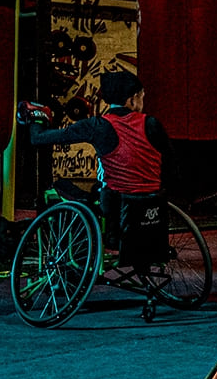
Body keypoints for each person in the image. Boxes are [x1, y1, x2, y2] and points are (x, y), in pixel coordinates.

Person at [21, 70, 176, 259]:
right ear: (133, 99)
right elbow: (170, 165)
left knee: (59, 188)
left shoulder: (97, 126)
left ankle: (72, 262)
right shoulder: (152, 124)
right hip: (154, 211)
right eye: (142, 97)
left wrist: (39, 116)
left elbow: (38, 138)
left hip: (115, 217)